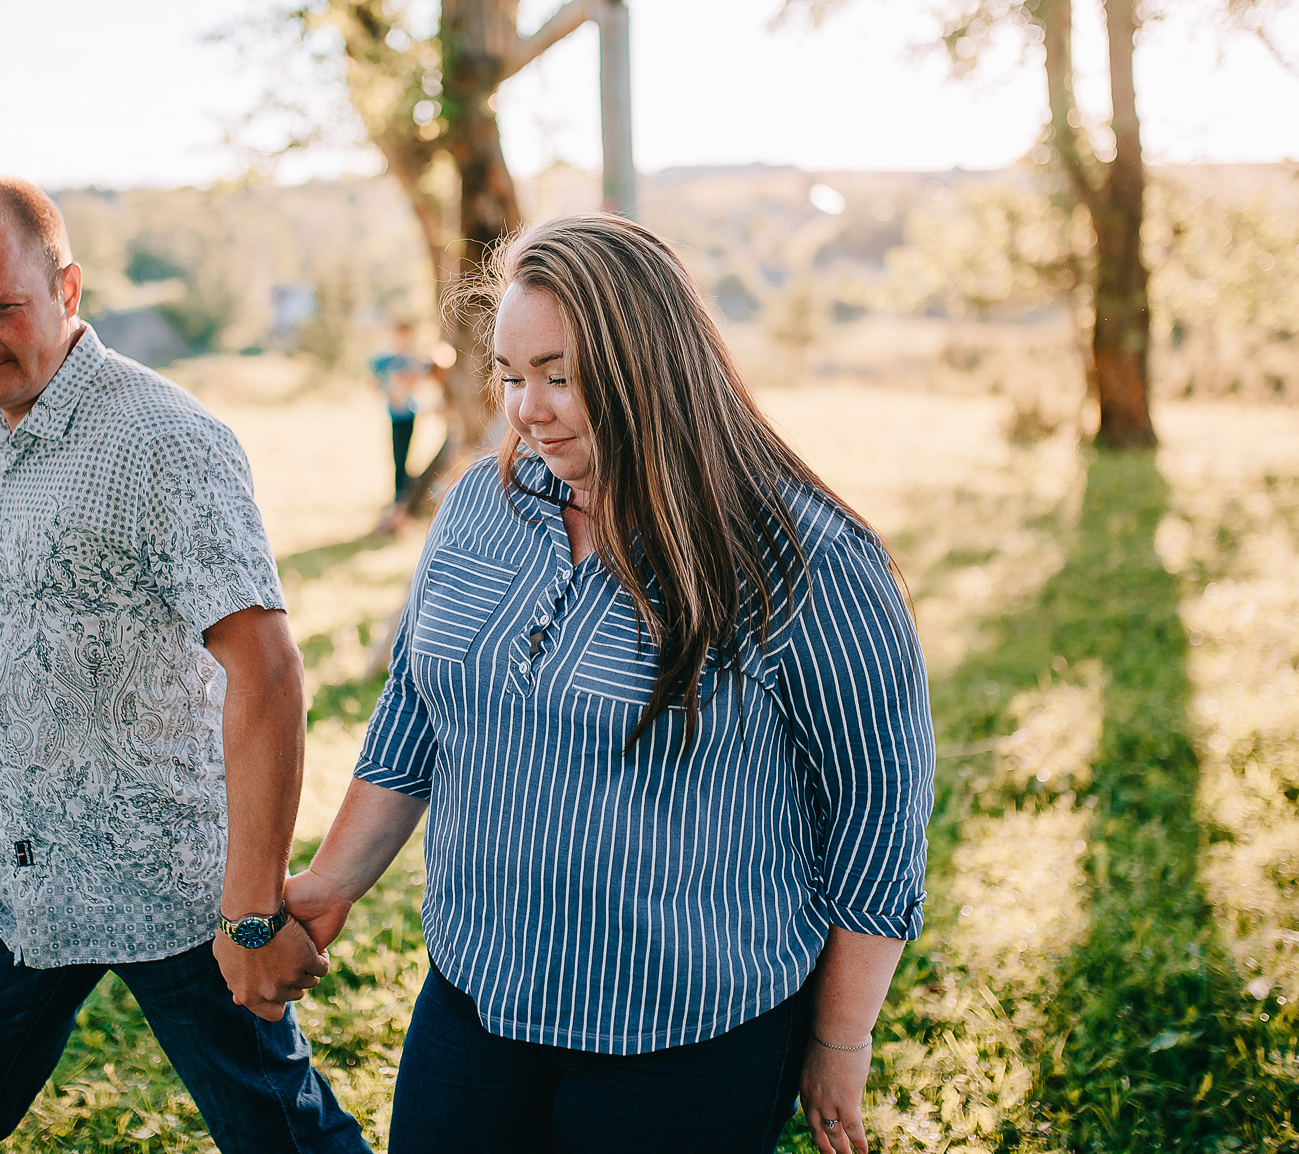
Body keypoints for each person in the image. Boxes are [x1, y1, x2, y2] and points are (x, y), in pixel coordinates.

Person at [284, 214, 934, 1154]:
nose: (526, 409)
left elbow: (878, 812)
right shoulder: (478, 507)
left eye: (559, 375)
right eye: (510, 375)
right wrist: (330, 882)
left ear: (650, 368)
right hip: (477, 995)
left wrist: (838, 1038)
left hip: (686, 1038)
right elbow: (418, 709)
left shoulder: (804, 556)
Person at [0, 176, 367, 1154]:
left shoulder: (162, 440)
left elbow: (268, 673)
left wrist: (251, 915)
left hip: (173, 884)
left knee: (285, 1141)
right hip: (23, 873)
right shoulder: (7, 425)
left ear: (67, 288)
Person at [369, 321, 426, 502]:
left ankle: (403, 492)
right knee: (398, 455)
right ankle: (400, 494)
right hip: (394, 413)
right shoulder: (385, 360)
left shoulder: (413, 359)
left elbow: (419, 379)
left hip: (409, 412)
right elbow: (373, 380)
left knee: (406, 454)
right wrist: (388, 393)